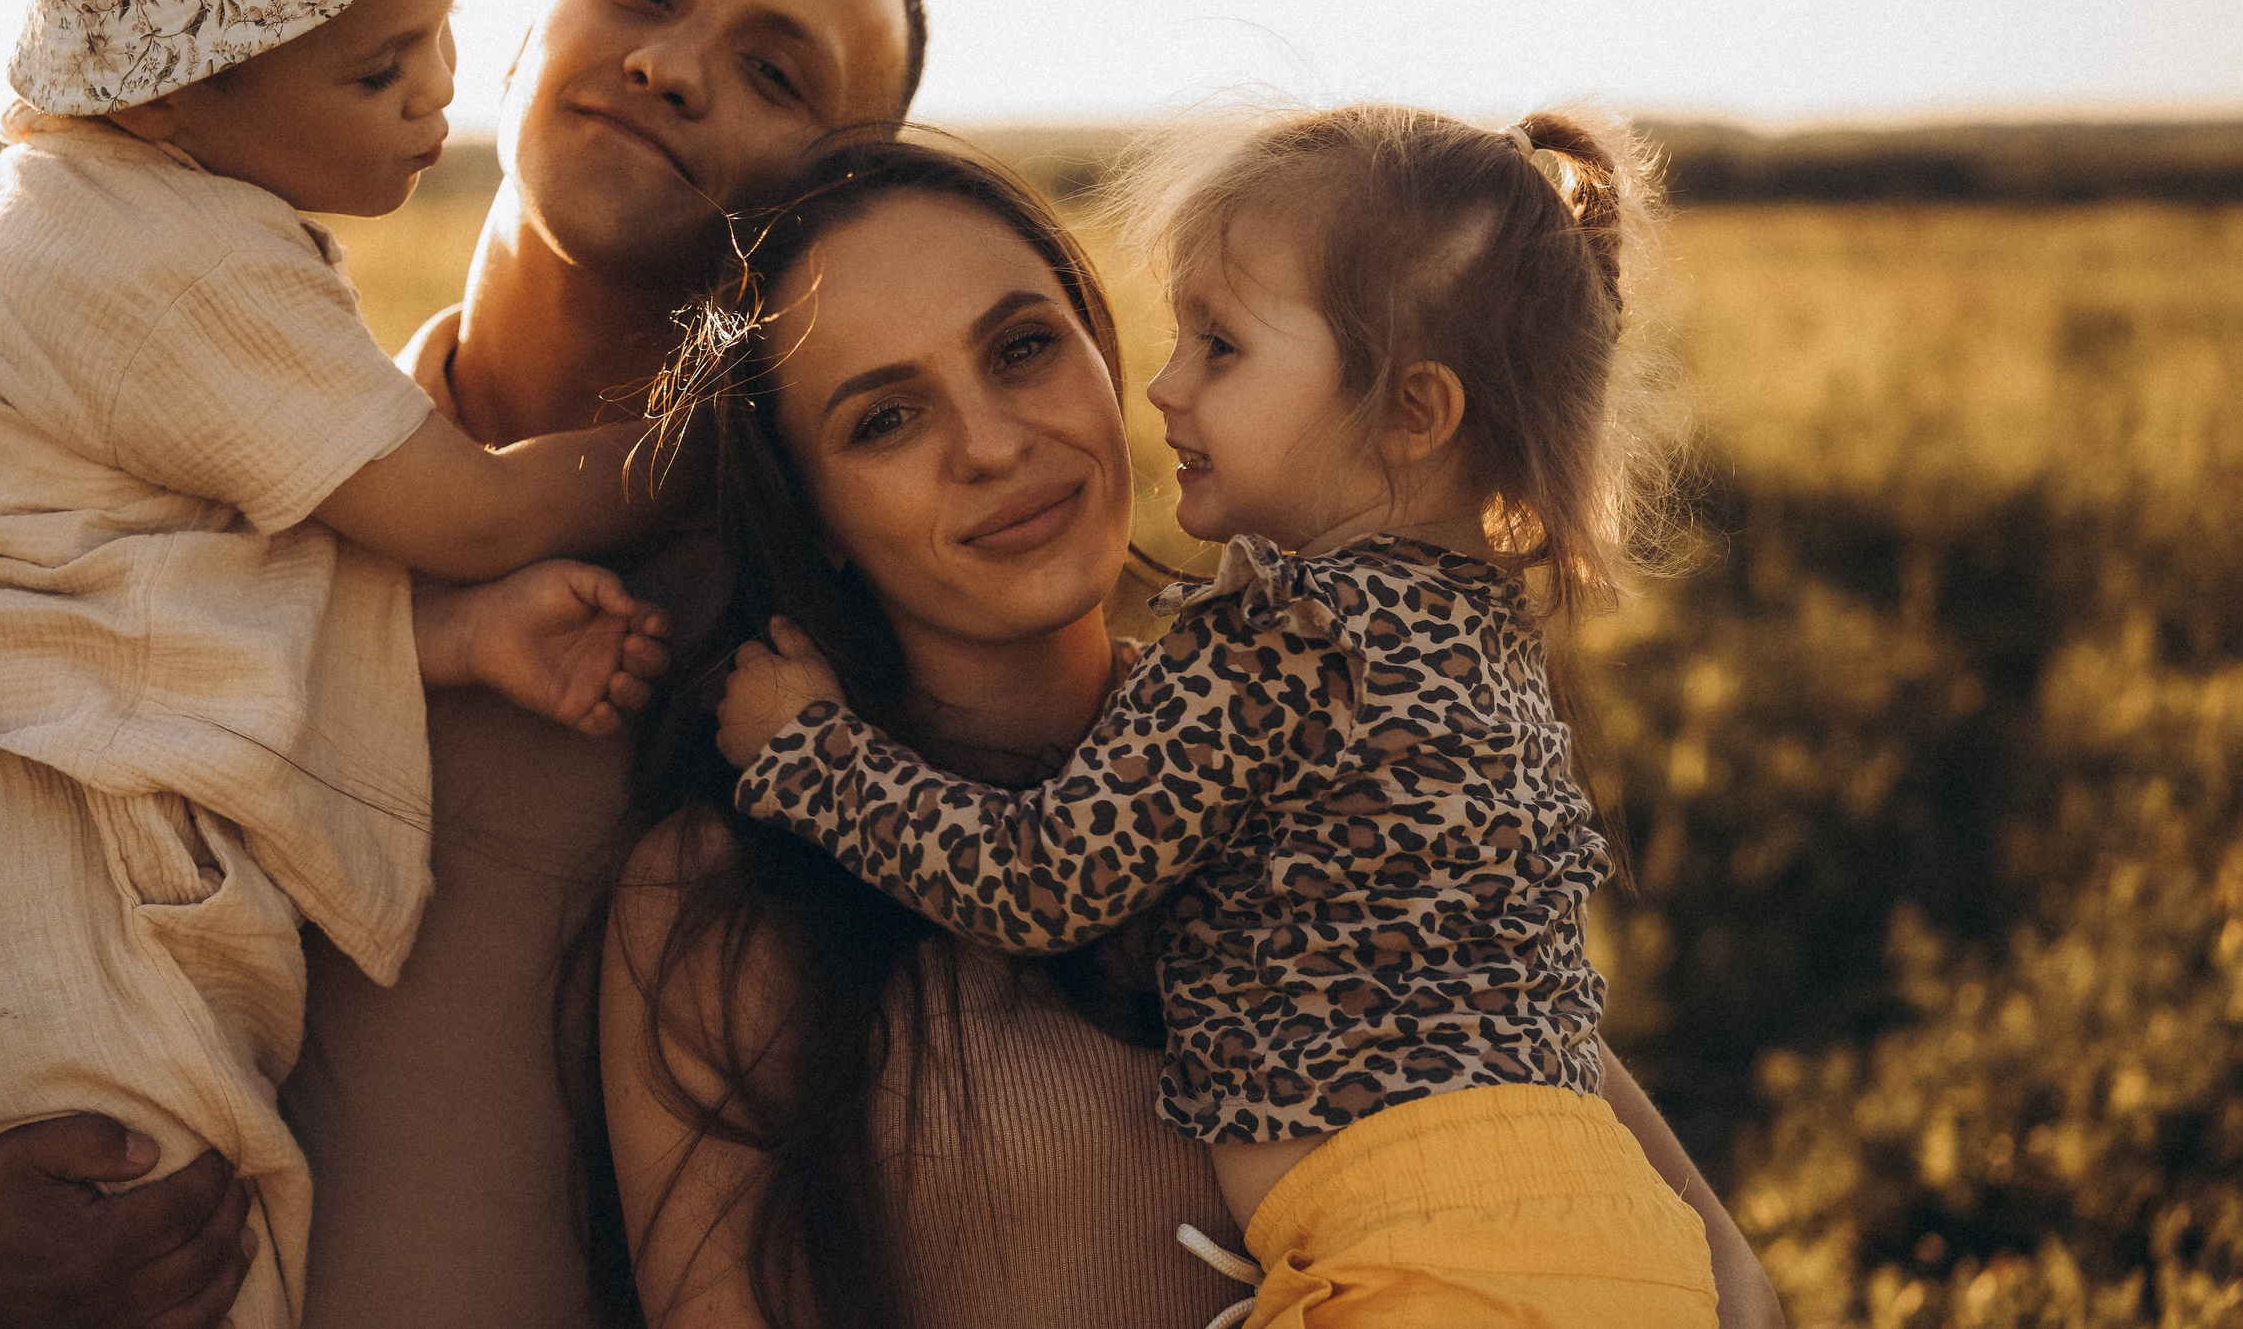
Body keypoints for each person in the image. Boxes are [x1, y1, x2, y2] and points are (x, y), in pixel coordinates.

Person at [0, 0, 926, 1329]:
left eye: (777, 71)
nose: (672, 64)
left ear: (835, 200)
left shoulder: (805, 651)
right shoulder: (167, 450)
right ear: (520, 28)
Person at [608, 135, 1782, 1328]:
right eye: (884, 420)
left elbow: (1733, 1284)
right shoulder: (720, 902)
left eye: (1022, 349)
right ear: (805, 510)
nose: (995, 444)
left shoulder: (1298, 703)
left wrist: (812, 755)